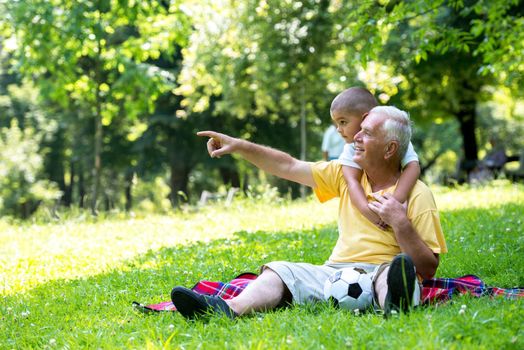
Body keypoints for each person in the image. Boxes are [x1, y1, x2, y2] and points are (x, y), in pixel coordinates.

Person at [171, 100, 447, 320]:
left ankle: (395, 306)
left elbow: (428, 268)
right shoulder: (342, 174)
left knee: (392, 275)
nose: (355, 138)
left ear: (390, 149)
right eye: (359, 129)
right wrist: (239, 146)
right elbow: (288, 165)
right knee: (279, 271)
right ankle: (226, 309)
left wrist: (401, 223)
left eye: (367, 133)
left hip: (382, 271)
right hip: (335, 273)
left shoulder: (418, 194)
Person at [331, 88, 421, 229]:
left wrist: (394, 203)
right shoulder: (350, 147)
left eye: (343, 122)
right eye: (336, 123)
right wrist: (368, 211)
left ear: (365, 117)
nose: (338, 129)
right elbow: (352, 182)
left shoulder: (394, 137)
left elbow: (413, 167)